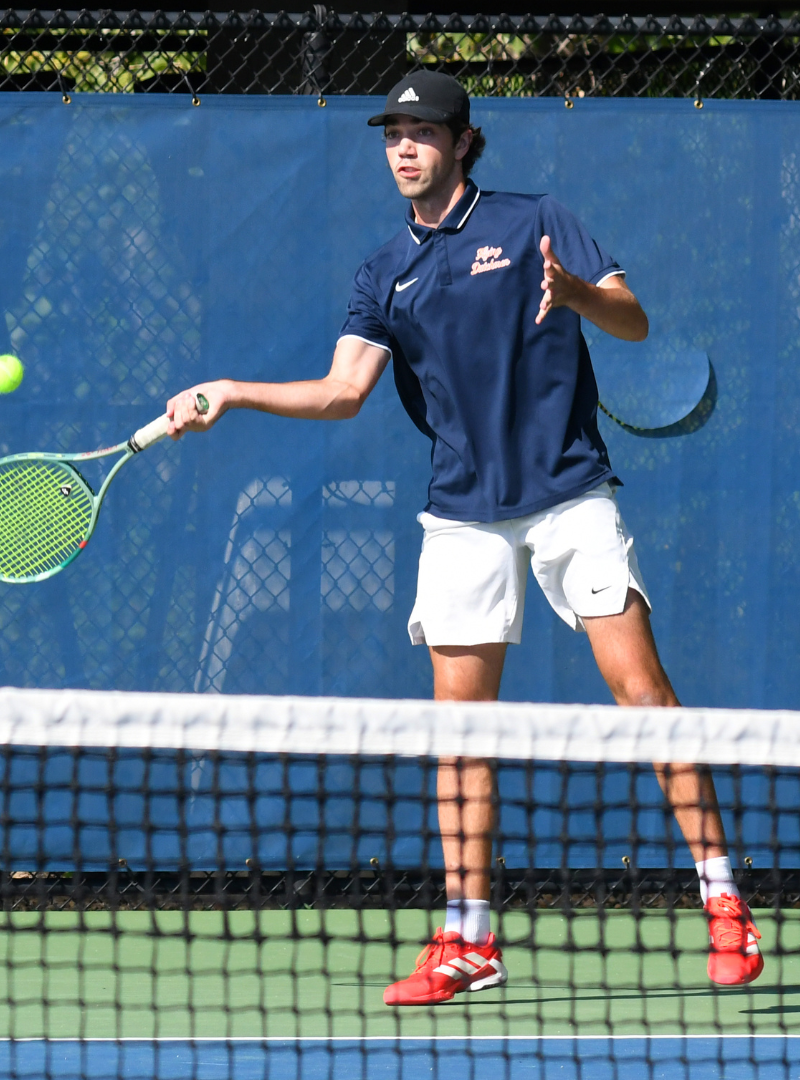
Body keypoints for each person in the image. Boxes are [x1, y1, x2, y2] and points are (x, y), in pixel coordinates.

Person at [161, 70, 762, 1005]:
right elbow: (342, 392)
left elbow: (635, 321)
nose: (404, 148)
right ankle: (470, 941)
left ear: (463, 142)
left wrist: (577, 294)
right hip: (460, 515)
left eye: (423, 132)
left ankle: (723, 900)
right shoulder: (382, 274)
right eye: (392, 134)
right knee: (460, 732)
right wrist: (232, 392)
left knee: (642, 691)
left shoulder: (535, 222)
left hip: (569, 496)